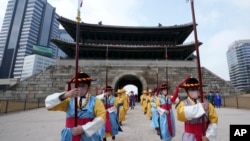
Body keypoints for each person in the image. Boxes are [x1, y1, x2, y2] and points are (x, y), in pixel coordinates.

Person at [45, 72, 106, 141]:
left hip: (89, 136)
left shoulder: (95, 101)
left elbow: (102, 118)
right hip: (70, 136)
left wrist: (84, 128)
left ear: (88, 87)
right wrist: (65, 95)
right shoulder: (68, 100)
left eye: (83, 85)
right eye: (78, 85)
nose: (79, 88)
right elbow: (48, 104)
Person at [156, 76, 191, 141]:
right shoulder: (159, 98)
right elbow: (157, 108)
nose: (165, 91)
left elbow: (175, 98)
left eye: (166, 90)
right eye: (164, 90)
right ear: (161, 91)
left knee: (171, 127)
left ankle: (169, 139)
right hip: (163, 116)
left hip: (170, 114)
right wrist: (164, 111)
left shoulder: (170, 97)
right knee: (164, 128)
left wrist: (177, 90)